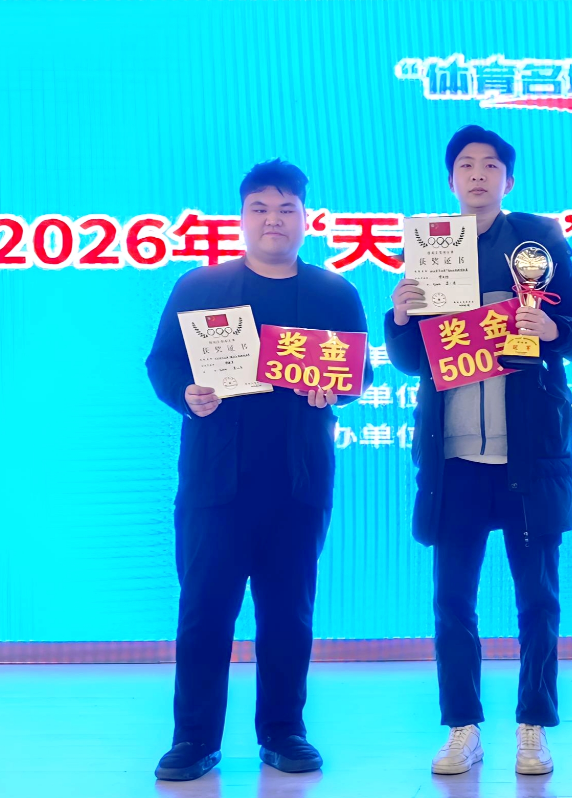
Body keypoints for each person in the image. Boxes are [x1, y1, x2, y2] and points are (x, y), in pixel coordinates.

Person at [384, 126, 572, 776]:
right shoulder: (432, 246)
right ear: (451, 179)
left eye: (490, 165)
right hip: (454, 462)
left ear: (508, 180)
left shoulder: (538, 241)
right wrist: (401, 317)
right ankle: (462, 727)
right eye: (465, 165)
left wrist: (552, 328)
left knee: (537, 600)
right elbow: (410, 359)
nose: (477, 175)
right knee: (452, 601)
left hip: (528, 460)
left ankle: (533, 726)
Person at [145, 159, 372, 781]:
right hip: (215, 486)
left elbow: (359, 372)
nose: (274, 220)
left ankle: (284, 731)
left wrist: (338, 389)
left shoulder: (334, 293)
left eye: (287, 209)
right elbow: (162, 363)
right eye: (261, 209)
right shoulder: (200, 286)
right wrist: (186, 392)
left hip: (298, 485)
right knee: (203, 613)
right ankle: (194, 738)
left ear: (306, 219)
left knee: (288, 615)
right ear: (242, 217)